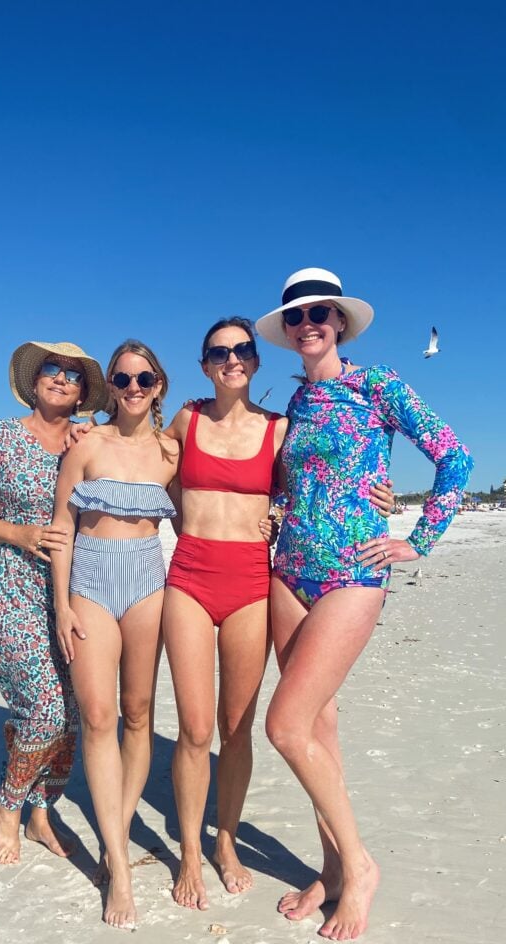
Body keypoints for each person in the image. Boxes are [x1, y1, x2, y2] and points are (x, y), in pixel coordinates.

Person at [255, 267, 473, 940]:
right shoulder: (296, 405)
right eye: (296, 316)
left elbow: (454, 457)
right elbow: (302, 480)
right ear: (288, 332)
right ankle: (331, 868)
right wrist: (275, 508)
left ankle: (361, 865)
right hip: (289, 571)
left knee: (284, 726)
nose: (309, 323)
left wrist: (421, 537)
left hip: (353, 569)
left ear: (340, 321)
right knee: (318, 729)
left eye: (321, 312)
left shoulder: (377, 386)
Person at [162, 317, 394, 911]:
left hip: (252, 580)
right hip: (189, 573)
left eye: (242, 349)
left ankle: (227, 843)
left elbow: (318, 482)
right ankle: (189, 850)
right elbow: (144, 462)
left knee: (238, 728)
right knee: (194, 728)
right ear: (204, 361)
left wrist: (379, 491)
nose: (232, 359)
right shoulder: (187, 418)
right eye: (219, 351)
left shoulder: (281, 426)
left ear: (256, 360)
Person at [0, 341, 110, 865]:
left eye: (73, 375)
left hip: (75, 588)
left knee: (74, 712)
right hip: (10, 584)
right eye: (52, 370)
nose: (61, 379)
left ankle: (43, 811)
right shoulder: (1, 436)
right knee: (43, 710)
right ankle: (8, 805)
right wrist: (18, 533)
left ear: (84, 392)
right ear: (35, 380)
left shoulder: (87, 441)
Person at [51, 340, 178, 929]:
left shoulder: (171, 452)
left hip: (149, 581)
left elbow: (210, 504)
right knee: (98, 716)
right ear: (111, 387)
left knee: (138, 713)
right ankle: (120, 870)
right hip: (92, 582)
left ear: (158, 385)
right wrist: (61, 606)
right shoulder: (86, 445)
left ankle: (115, 834)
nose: (132, 387)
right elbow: (61, 530)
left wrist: (267, 519)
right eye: (122, 378)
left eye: (143, 377)